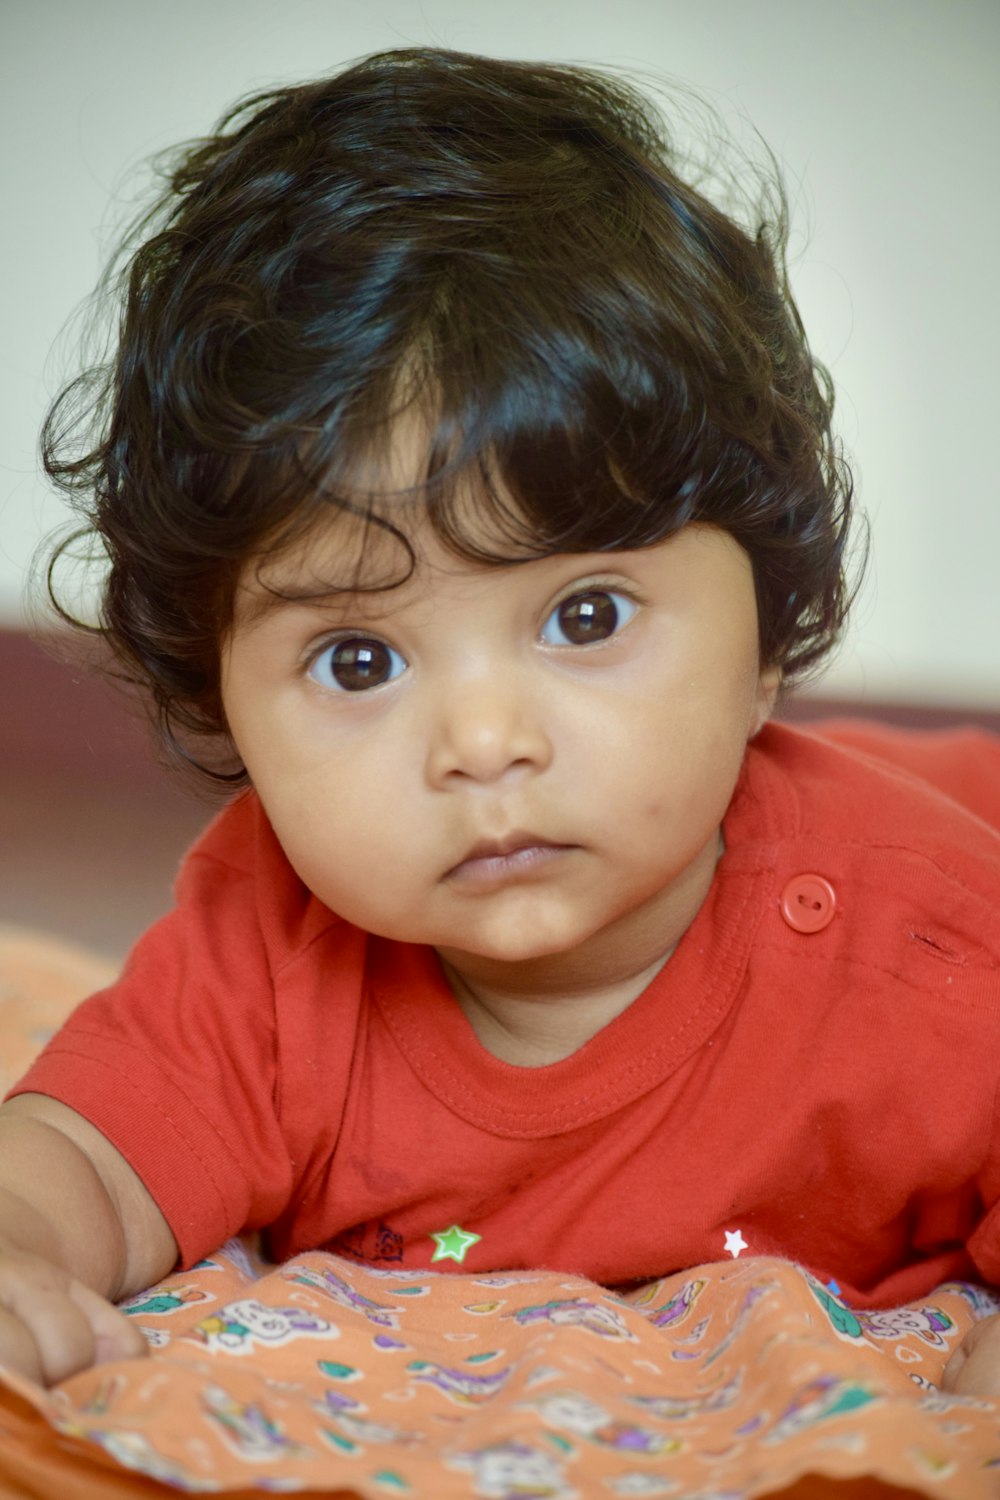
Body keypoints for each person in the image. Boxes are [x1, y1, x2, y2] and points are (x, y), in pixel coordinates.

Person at [2, 46, 999, 1398]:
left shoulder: (929, 950)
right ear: (217, 688)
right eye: (358, 660)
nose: (483, 743)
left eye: (585, 618)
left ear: (770, 634)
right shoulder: (272, 945)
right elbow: (92, 1158)